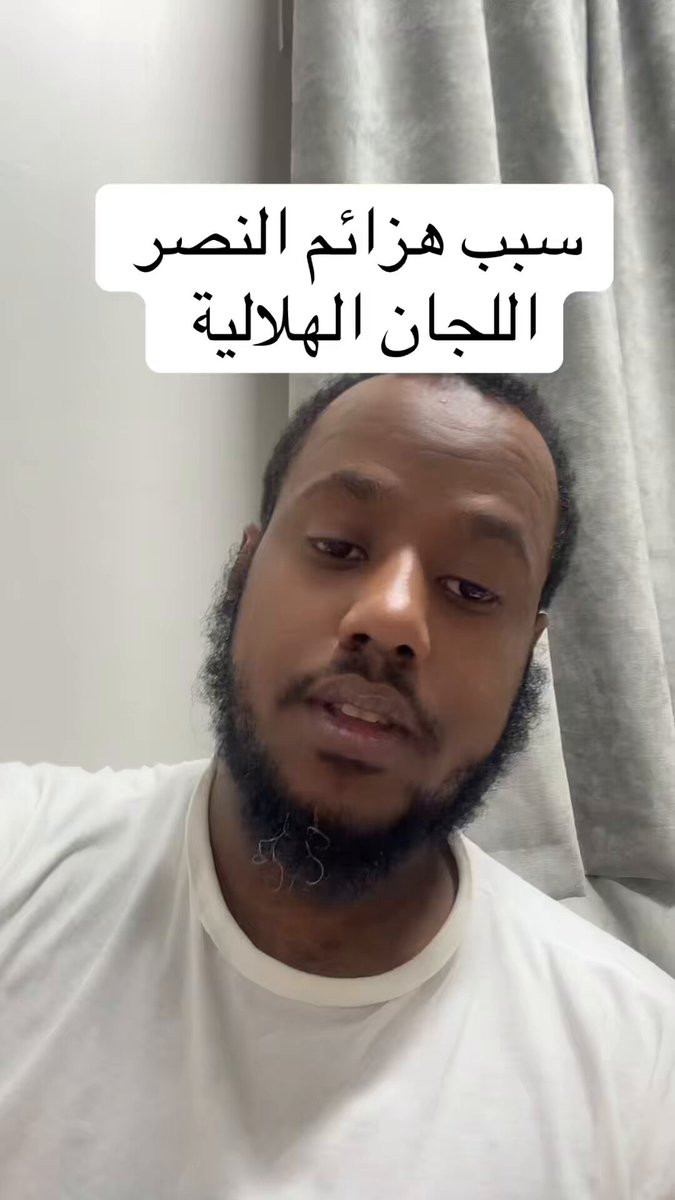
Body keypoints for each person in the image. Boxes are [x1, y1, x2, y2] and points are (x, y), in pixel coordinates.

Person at [1, 373, 673, 1199]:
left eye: (471, 589)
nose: (389, 617)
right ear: (245, 570)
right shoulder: (20, 861)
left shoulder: (640, 1075)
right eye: (338, 547)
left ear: (526, 657)